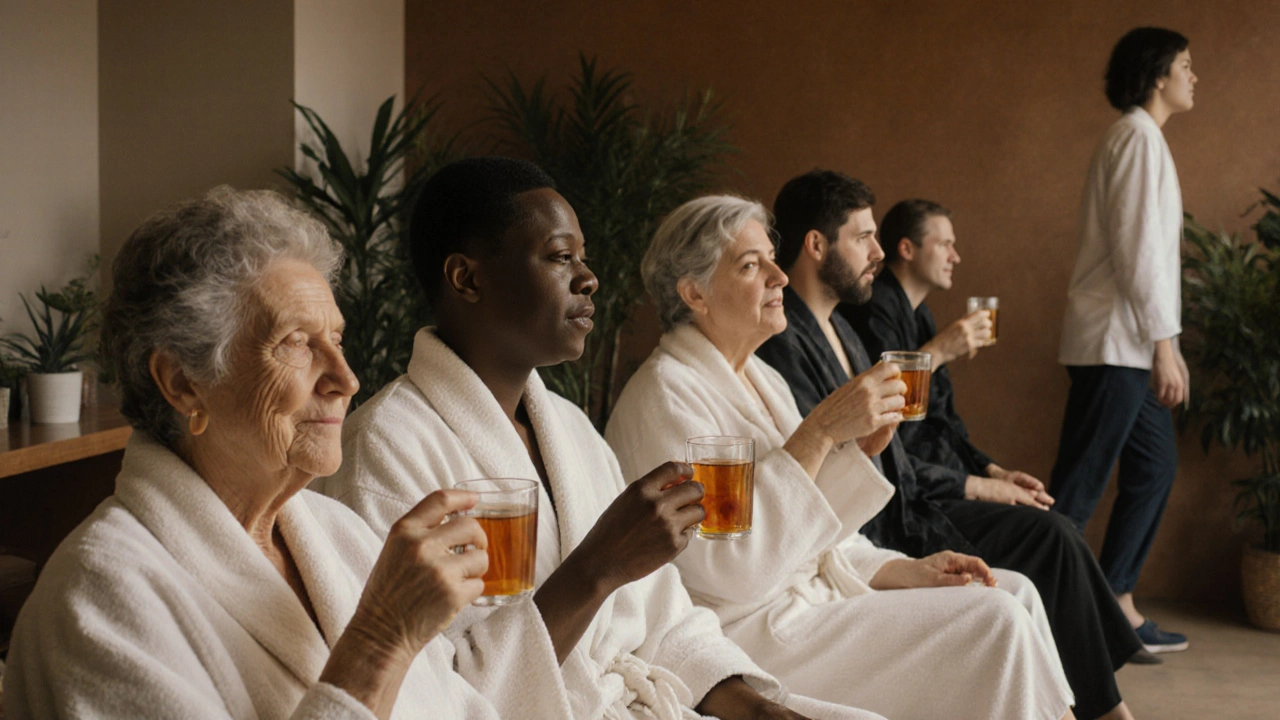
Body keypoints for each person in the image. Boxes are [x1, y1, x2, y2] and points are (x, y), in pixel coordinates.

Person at [322, 157, 876, 720]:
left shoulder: (569, 426)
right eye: (561, 257)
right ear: (467, 278)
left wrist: (753, 708)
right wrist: (598, 566)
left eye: (583, 258)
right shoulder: (386, 450)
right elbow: (428, 695)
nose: (588, 278)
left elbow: (668, 621)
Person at [2, 188, 517, 719]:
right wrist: (382, 638)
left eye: (336, 341)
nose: (346, 379)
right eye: (295, 342)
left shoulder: (342, 537)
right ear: (183, 382)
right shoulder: (98, 596)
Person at [606, 193, 1076, 720]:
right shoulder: (668, 398)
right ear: (695, 293)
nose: (778, 277)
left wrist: (905, 570)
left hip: (812, 598)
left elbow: (818, 536)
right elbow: (735, 571)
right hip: (749, 630)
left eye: (770, 258)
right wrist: (822, 431)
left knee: (1019, 592)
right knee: (996, 620)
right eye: (749, 265)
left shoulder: (762, 377)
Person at [823, 184, 1145, 716]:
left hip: (942, 480)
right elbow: (884, 431)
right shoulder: (876, 315)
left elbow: (945, 424)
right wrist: (975, 480)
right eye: (944, 243)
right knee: (1054, 538)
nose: (956, 255)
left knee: (1054, 526)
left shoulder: (920, 315)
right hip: (910, 501)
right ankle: (1106, 710)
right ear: (909, 249)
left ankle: (1091, 703)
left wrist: (995, 469)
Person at [1051, 26, 1195, 654]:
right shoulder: (1136, 138)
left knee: (1155, 467)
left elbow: (1149, 259)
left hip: (1128, 345)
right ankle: (1032, 614)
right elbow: (1141, 256)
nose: (1195, 77)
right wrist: (1166, 345)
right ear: (1158, 73)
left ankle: (1117, 603)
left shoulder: (1144, 140)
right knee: (1077, 487)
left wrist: (1162, 342)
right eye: (1187, 66)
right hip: (1118, 346)